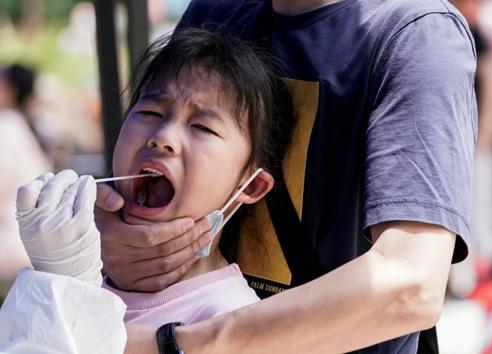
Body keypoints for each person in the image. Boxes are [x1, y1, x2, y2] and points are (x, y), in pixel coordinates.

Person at [97, 0, 478, 353]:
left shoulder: (416, 35)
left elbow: (409, 285)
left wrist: (173, 346)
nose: (165, 137)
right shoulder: (216, 9)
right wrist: (106, 235)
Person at [10, 27, 295, 329]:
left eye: (203, 128)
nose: (163, 137)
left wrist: (63, 284)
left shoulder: (227, 320)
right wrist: (55, 277)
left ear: (251, 185)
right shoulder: (87, 274)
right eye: (150, 112)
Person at [0, 64, 51, 295]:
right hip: (36, 243)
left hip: (15, 246)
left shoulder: (7, 126)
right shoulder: (25, 124)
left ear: (9, 90)